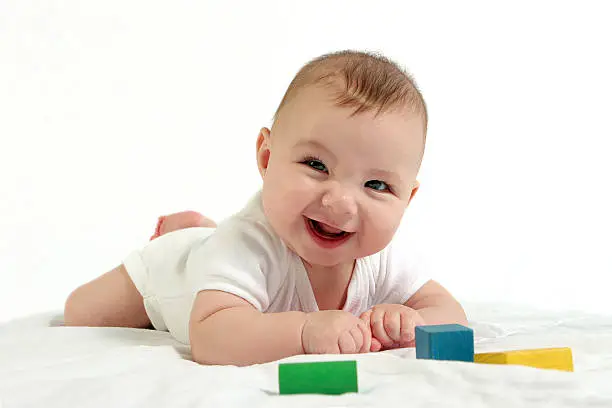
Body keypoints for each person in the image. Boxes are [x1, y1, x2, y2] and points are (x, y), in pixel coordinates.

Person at [64, 50, 468, 366]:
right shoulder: (247, 245)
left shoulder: (383, 257)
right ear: (266, 157)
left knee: (210, 246)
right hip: (169, 272)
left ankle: (201, 233)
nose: (340, 202)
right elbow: (211, 336)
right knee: (81, 313)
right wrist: (305, 332)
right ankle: (184, 237)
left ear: (406, 199)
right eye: (316, 165)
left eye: (376, 185)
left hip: (212, 251)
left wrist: (412, 323)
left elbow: (451, 314)